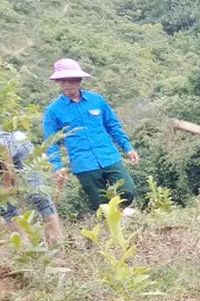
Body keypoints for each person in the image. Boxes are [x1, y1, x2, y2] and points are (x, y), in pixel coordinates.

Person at [42, 58, 139, 212]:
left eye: (72, 79)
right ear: (58, 82)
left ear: (79, 79)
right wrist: (57, 167)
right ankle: (113, 227)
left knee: (128, 191)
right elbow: (51, 142)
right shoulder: (53, 111)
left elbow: (113, 126)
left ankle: (120, 212)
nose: (68, 84)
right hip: (83, 164)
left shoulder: (96, 100)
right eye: (63, 80)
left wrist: (127, 147)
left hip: (108, 156)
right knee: (101, 205)